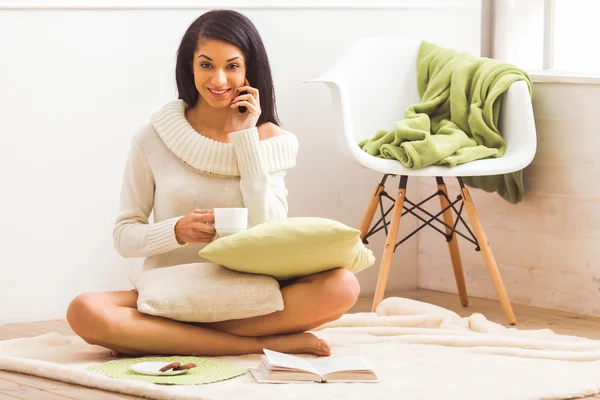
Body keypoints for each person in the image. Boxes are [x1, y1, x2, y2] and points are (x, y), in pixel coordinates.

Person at [66, 9, 360, 358]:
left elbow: (270, 227)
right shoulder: (152, 138)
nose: (219, 80)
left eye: (232, 66)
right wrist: (176, 230)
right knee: (83, 310)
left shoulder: (271, 139)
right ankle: (259, 343)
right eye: (206, 65)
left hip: (248, 290)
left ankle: (172, 338)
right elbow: (124, 236)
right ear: (189, 68)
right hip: (172, 292)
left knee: (343, 285)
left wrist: (245, 140)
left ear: (249, 70)